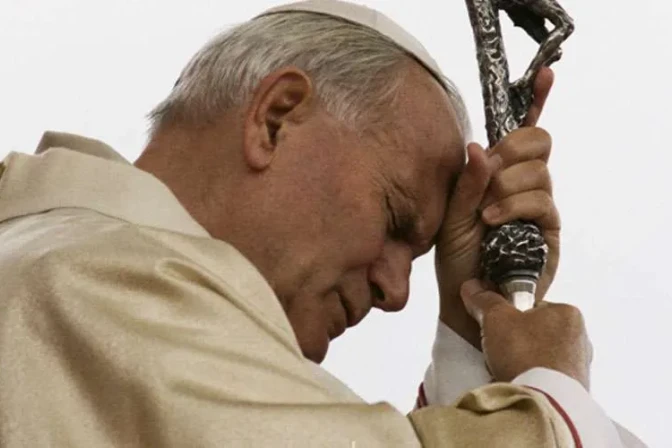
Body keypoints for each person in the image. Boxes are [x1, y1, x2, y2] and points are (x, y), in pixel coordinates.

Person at [0, 0, 646, 446]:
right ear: (276, 118)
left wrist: (468, 326)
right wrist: (553, 396)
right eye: (395, 218)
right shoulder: (96, 281)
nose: (397, 293)